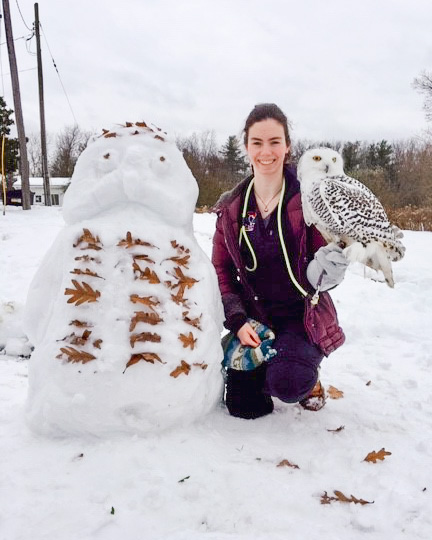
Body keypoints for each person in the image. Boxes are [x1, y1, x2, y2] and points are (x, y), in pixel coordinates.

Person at [212, 103, 348, 419]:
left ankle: (302, 375)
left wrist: (332, 268)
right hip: (254, 319)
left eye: (275, 142)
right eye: (257, 142)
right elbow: (221, 268)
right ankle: (268, 367)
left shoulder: (310, 199)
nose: (266, 151)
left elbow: (325, 260)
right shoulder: (232, 209)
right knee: (245, 408)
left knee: (288, 382)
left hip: (300, 316)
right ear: (246, 147)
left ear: (287, 146)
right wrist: (237, 320)